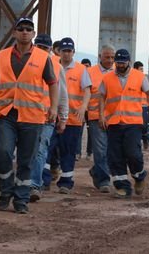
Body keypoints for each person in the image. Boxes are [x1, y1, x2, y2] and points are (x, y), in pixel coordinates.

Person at [0, 17, 58, 214]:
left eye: (28, 29)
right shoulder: (3, 56)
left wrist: (54, 108)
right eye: (20, 29)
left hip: (32, 116)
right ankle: (6, 190)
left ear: (33, 34)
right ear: (14, 32)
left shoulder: (42, 57)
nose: (24, 32)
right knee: (2, 152)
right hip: (6, 113)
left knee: (26, 159)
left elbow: (53, 83)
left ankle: (21, 198)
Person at [99, 49, 149, 198]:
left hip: (133, 123)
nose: (120, 65)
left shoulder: (139, 77)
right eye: (118, 62)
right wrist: (101, 116)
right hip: (113, 123)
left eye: (123, 62)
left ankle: (139, 176)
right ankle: (122, 187)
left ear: (128, 61)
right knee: (115, 156)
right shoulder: (107, 78)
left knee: (133, 153)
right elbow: (101, 96)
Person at [28, 34, 68, 201]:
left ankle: (34, 186)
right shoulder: (26, 62)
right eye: (40, 47)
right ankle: (23, 181)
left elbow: (63, 94)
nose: (43, 51)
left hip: (47, 117)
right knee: (26, 151)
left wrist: (63, 117)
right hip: (27, 115)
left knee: (40, 150)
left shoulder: (57, 67)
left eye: (46, 48)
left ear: (51, 50)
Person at [53, 38, 90, 193]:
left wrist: (83, 107)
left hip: (73, 118)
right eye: (64, 51)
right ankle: (45, 178)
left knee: (68, 150)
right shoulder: (53, 65)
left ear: (73, 52)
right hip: (53, 116)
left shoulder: (81, 70)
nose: (67, 54)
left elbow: (87, 90)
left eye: (69, 51)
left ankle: (66, 182)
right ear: (59, 52)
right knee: (50, 148)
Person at [86, 45, 116, 193]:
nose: (110, 60)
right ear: (100, 56)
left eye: (112, 57)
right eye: (107, 57)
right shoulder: (90, 72)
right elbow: (85, 94)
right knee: (100, 150)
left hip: (115, 119)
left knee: (113, 150)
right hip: (95, 117)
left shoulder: (120, 72)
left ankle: (96, 170)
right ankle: (104, 180)